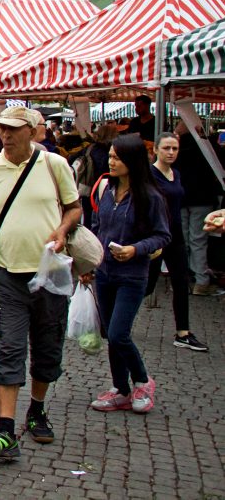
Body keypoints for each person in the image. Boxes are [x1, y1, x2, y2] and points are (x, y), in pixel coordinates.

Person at [0, 107, 81, 458]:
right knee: (9, 345)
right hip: (7, 273)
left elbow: (75, 208)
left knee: (47, 344)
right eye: (2, 129)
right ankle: (5, 429)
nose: (7, 136)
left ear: (32, 131)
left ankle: (38, 408)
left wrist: (62, 229)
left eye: (14, 129)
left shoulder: (54, 164)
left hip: (49, 273)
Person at [88, 134, 171, 413]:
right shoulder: (105, 191)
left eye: (117, 157)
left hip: (132, 275)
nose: (111, 161)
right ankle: (120, 389)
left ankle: (143, 381)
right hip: (104, 272)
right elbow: (97, 227)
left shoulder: (150, 196)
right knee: (111, 334)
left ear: (132, 161)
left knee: (118, 332)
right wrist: (88, 261)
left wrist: (136, 249)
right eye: (110, 156)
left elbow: (162, 236)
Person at [146, 133, 206, 351]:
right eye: (166, 148)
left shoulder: (176, 174)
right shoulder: (149, 176)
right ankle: (113, 318)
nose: (171, 152)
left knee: (181, 282)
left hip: (175, 236)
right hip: (155, 237)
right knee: (147, 284)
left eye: (175, 149)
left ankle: (183, 332)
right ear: (156, 150)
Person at [173, 119, 225, 296]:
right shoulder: (205, 146)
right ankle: (201, 281)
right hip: (202, 198)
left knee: (184, 240)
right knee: (198, 240)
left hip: (181, 197)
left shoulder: (175, 147)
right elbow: (219, 163)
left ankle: (184, 278)